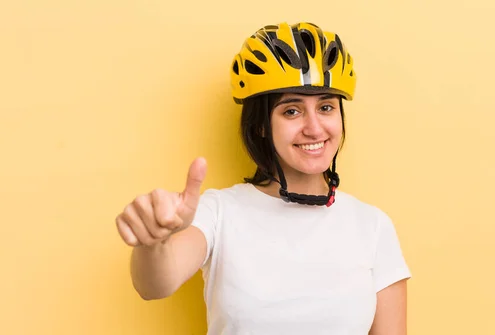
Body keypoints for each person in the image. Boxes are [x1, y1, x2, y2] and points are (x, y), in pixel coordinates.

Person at [115, 22, 411, 335]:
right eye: (292, 111)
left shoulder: (372, 226)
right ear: (261, 126)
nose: (314, 128)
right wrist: (153, 243)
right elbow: (155, 284)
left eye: (325, 107)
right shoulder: (219, 211)